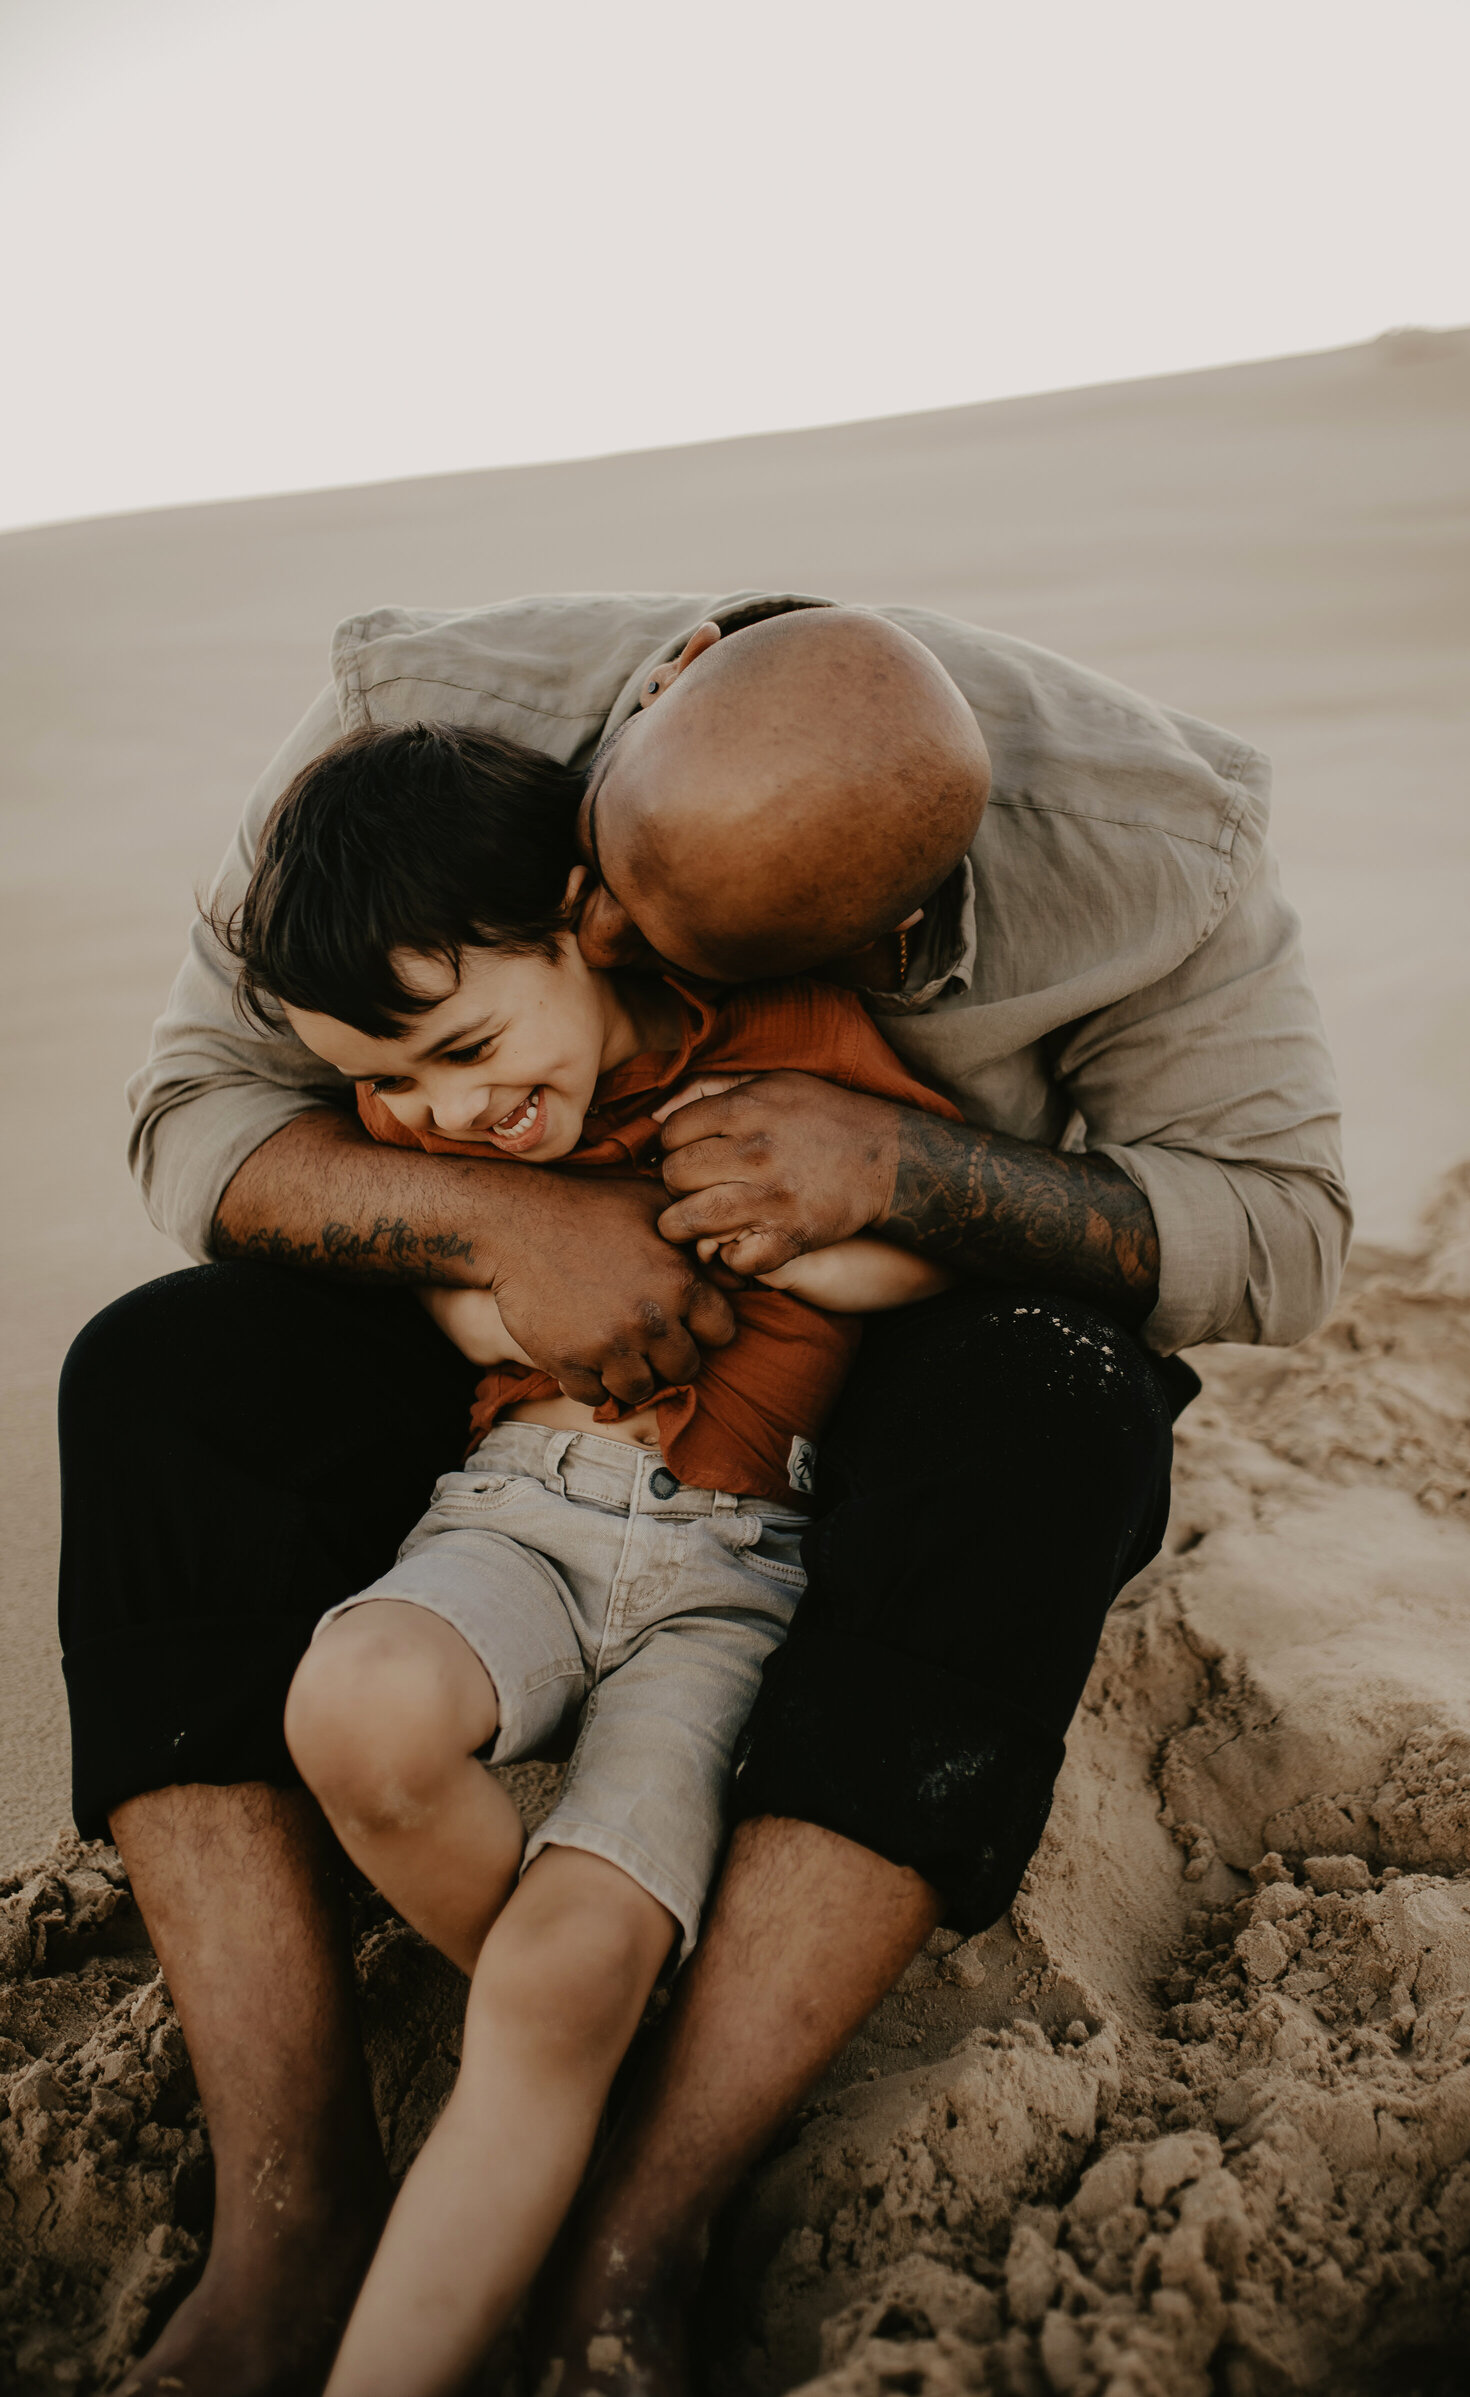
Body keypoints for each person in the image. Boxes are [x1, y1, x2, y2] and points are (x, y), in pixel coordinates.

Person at [60, 596, 1348, 2397]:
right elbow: (197, 1109)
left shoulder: (1169, 851)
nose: (605, 946)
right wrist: (510, 1223)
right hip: (516, 1367)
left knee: (1061, 1407)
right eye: (595, 896)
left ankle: (643, 2218)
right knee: (157, 1369)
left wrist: (906, 1169)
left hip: (860, 1383)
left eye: (667, 951)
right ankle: (292, 2211)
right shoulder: (423, 724)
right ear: (634, 730)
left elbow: (1280, 1239)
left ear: (903, 936)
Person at [215, 714, 959, 2394]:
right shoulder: (433, 1130)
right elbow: (437, 1285)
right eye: (391, 1083)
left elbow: (929, 1245)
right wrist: (509, 1286)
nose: (446, 1113)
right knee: (354, 1707)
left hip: (736, 1567)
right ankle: (576, 2036)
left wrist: (794, 1253)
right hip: (518, 1508)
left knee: (566, 1971)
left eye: (470, 1046)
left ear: (587, 921)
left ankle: (552, 2054)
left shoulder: (784, 1035)